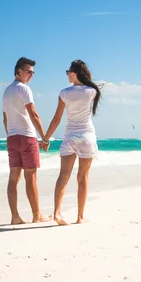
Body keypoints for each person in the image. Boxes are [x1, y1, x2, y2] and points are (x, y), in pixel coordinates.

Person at [42, 60, 102, 225]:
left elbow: (56, 119)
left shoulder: (64, 93)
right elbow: (91, 88)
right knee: (83, 177)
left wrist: (46, 139)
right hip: (87, 137)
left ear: (75, 72)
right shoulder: (92, 92)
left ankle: (57, 213)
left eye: (68, 71)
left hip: (69, 137)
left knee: (63, 176)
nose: (67, 74)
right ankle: (80, 217)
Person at [2, 57, 51, 225]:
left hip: (12, 138)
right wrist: (44, 137)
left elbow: (5, 118)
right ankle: (37, 215)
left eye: (33, 73)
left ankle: (15, 217)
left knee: (13, 178)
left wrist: (10, 136)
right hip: (27, 137)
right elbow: (33, 114)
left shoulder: (7, 91)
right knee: (31, 177)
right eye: (29, 72)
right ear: (19, 71)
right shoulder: (24, 89)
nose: (31, 75)